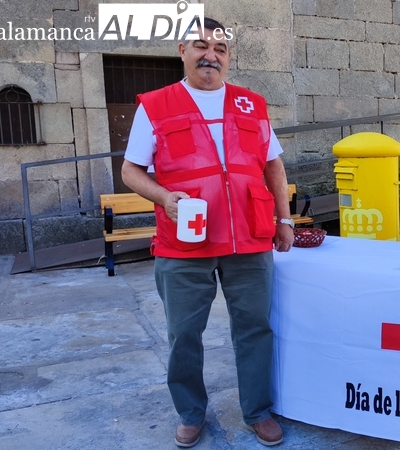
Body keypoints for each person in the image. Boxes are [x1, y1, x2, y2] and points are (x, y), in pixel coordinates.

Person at [121, 17, 292, 448]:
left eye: (219, 49)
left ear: (229, 57)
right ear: (182, 51)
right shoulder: (156, 105)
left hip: (249, 238)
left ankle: (257, 410)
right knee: (183, 333)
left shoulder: (253, 103)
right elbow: (130, 170)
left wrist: (285, 220)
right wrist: (163, 197)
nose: (210, 55)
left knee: (254, 327)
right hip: (185, 242)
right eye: (200, 46)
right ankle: (190, 412)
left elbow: (272, 165)